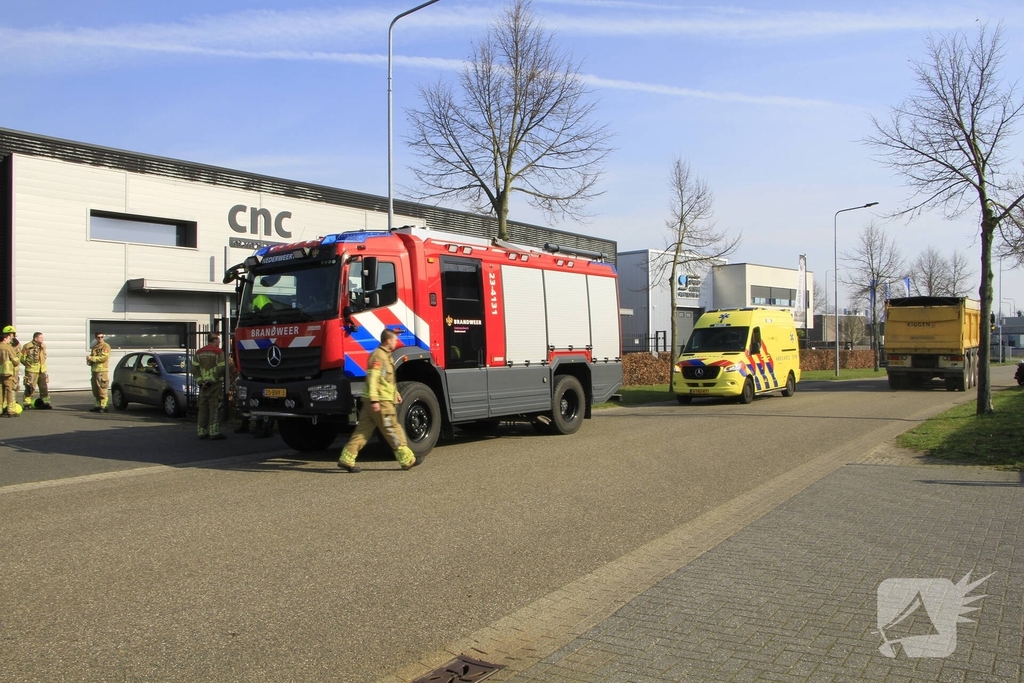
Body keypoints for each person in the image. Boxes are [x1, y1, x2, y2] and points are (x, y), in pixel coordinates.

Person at [338, 328, 422, 472]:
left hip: (375, 401)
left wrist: (395, 393)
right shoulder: (379, 356)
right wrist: (375, 400)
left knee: (362, 432)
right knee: (393, 429)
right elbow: (373, 379)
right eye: (394, 340)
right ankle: (407, 459)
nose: (396, 342)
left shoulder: (385, 355)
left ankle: (347, 458)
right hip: (381, 402)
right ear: (388, 341)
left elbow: (385, 380)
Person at [193, 333, 226, 440]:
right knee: (215, 408)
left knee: (203, 408)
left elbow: (194, 369)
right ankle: (214, 432)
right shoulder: (218, 352)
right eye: (218, 340)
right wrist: (210, 382)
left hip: (203, 386)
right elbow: (221, 368)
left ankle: (201, 431)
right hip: (214, 385)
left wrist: (200, 382)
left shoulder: (199, 352)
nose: (219, 342)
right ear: (214, 339)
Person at [20, 332, 51, 409]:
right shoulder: (28, 346)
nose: (42, 339)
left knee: (44, 388)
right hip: (32, 370)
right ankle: (27, 403)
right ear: (35, 338)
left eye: (42, 337)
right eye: (40, 338)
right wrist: (27, 364)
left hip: (42, 370)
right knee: (30, 387)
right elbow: (21, 357)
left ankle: (45, 402)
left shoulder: (43, 346)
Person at [86, 332, 111, 413]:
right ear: (96, 338)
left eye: (102, 337)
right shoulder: (95, 347)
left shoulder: (105, 346)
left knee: (102, 389)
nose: (100, 338)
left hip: (102, 371)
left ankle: (104, 406)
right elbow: (92, 357)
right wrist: (89, 360)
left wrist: (92, 358)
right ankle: (97, 406)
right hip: (94, 371)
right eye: (98, 337)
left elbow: (104, 358)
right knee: (95, 390)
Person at [0, 326, 20, 417]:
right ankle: (11, 410)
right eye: (8, 338)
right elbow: (15, 361)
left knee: (0, 392)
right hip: (7, 373)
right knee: (10, 391)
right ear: (5, 338)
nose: (10, 339)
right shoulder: (8, 347)